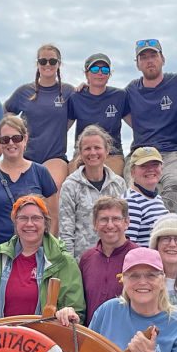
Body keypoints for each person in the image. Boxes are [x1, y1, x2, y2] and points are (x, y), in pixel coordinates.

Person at [0, 195, 84, 319]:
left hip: (44, 337)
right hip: (3, 336)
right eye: (23, 218)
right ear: (15, 222)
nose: (29, 224)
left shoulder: (63, 260)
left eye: (36, 218)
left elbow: (76, 311)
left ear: (46, 223)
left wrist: (68, 313)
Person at [0, 115, 59, 254]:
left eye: (16, 138)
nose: (10, 143)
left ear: (25, 139)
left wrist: (47, 251)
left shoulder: (40, 172)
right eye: (5, 139)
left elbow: (54, 217)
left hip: (34, 252)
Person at [124, 39, 177, 211]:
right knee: (134, 187)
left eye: (153, 55)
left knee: (175, 182)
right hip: (140, 152)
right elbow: (106, 99)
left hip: (172, 152)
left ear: (163, 59)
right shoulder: (131, 89)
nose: (149, 60)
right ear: (138, 64)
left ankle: (161, 224)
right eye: (143, 57)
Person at [4, 43, 75, 190]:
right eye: (43, 61)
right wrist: (15, 130)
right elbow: (6, 112)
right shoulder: (24, 91)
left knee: (51, 186)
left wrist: (61, 128)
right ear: (37, 64)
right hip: (26, 156)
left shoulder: (68, 91)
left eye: (52, 61)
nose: (47, 64)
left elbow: (76, 113)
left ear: (59, 64)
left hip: (55, 156)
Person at [59, 126, 128, 258]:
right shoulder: (70, 186)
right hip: (82, 262)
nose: (92, 152)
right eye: (87, 149)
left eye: (97, 148)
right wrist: (70, 268)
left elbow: (124, 226)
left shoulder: (119, 184)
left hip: (115, 259)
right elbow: (66, 232)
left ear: (107, 150)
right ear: (80, 152)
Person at [67, 53, 129, 174]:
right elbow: (63, 128)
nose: (100, 73)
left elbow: (136, 124)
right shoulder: (76, 97)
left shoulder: (120, 96)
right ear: (86, 74)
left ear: (109, 74)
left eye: (105, 70)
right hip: (83, 154)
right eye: (95, 69)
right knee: (73, 183)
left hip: (112, 154)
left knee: (111, 184)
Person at [78, 196, 137, 321]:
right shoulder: (86, 259)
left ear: (126, 222)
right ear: (95, 224)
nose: (110, 225)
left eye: (116, 219)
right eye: (104, 219)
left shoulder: (139, 257)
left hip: (128, 337)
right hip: (92, 335)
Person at [125, 146, 170, 246]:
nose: (150, 169)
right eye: (143, 166)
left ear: (161, 168)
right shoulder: (131, 202)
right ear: (132, 172)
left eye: (155, 164)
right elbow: (126, 247)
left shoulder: (156, 198)